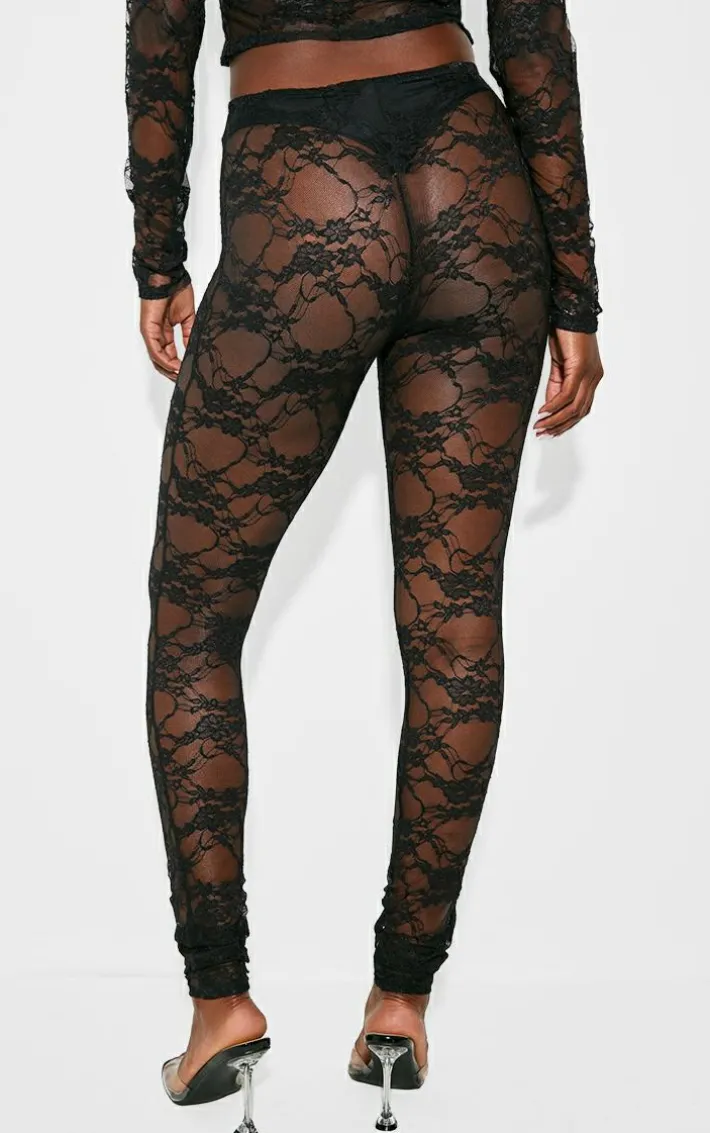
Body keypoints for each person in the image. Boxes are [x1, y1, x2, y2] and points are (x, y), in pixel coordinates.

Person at [125, 1, 603, 1128]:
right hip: (474, 183)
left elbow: (159, 38)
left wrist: (158, 258)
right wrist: (576, 286)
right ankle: (400, 1004)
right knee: (455, 623)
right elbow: (533, 36)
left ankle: (220, 1004)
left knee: (193, 621)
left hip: (305, 184)